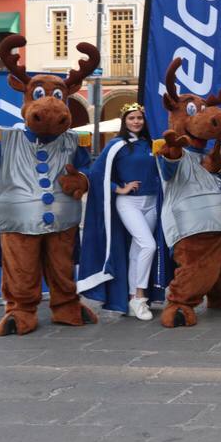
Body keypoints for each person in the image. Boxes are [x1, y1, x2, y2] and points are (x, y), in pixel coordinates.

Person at [79, 103, 166, 320]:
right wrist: (118, 188)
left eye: (139, 118)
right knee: (148, 245)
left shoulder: (152, 144)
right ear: (124, 121)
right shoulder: (116, 145)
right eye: (131, 118)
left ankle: (130, 297)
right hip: (129, 203)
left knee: (138, 250)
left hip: (152, 202)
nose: (136, 122)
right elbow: (96, 173)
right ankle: (139, 296)